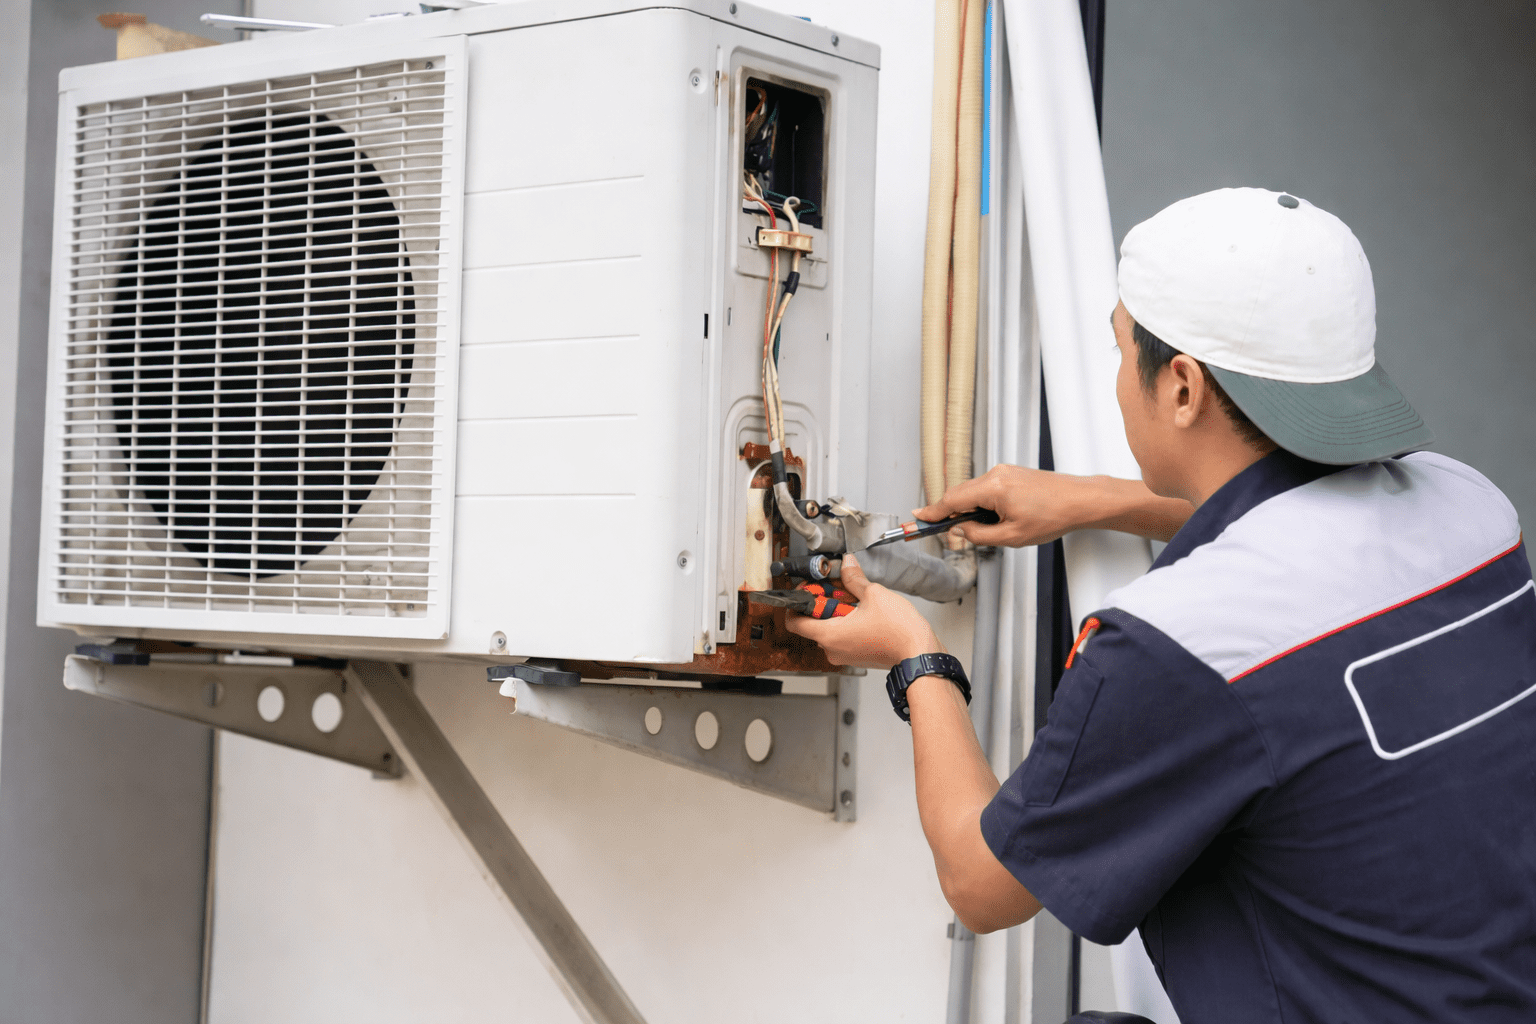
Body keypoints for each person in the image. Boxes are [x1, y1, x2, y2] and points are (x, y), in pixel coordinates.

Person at [788, 188, 1536, 1022]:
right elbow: (1313, 535)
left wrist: (915, 658)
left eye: (1119, 351)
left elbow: (981, 884)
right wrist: (1098, 500)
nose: (1116, 381)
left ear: (1181, 386)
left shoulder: (1181, 646)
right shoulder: (1473, 511)